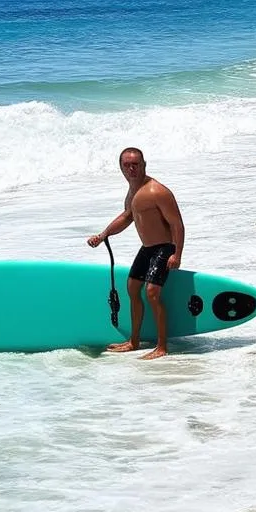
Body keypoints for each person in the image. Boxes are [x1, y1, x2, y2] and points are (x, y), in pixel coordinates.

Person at [87, 148, 185, 359]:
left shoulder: (157, 191)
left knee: (152, 293)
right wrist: (103, 235)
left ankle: (161, 347)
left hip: (164, 248)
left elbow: (177, 224)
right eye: (127, 165)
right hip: (147, 248)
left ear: (144, 165)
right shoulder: (133, 192)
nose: (131, 169)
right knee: (132, 288)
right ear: (121, 167)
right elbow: (127, 217)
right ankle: (134, 341)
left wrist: (177, 254)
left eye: (135, 165)